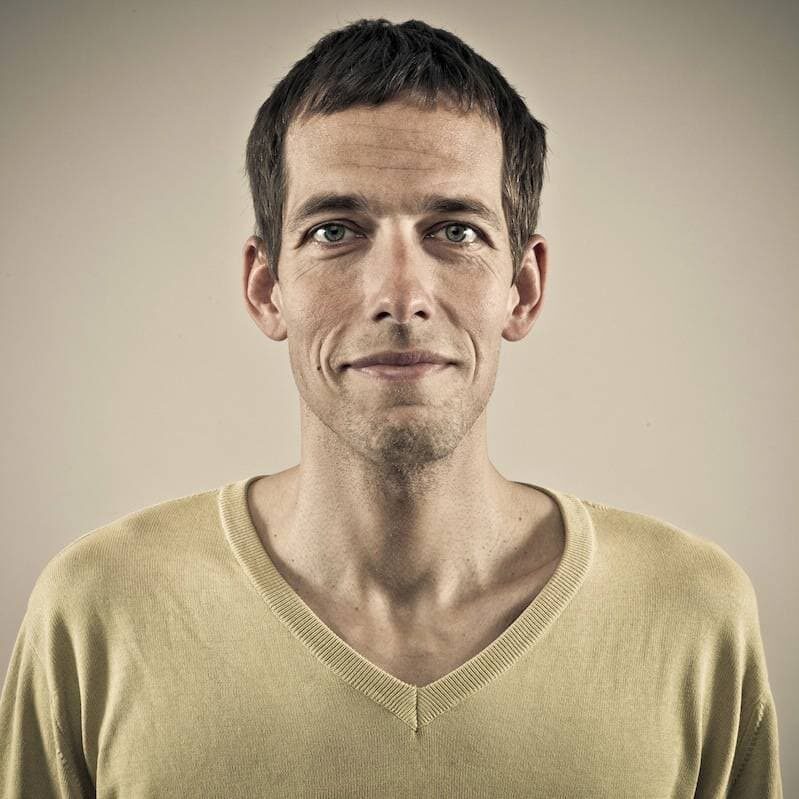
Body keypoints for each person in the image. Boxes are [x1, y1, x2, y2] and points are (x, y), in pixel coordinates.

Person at [0, 17, 783, 798]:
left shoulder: (690, 613)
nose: (401, 295)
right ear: (266, 287)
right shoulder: (98, 611)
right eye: (336, 230)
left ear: (523, 286)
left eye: (455, 230)